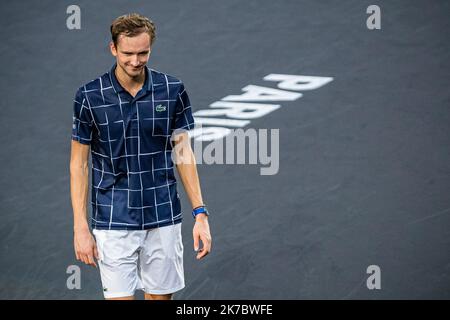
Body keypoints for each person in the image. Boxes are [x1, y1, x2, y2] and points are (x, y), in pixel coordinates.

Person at [70, 13, 211, 300]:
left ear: (151, 48)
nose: (135, 61)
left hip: (163, 216)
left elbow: (183, 154)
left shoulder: (172, 90)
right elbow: (78, 164)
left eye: (143, 53)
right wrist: (80, 227)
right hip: (112, 218)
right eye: (128, 53)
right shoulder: (89, 96)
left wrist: (200, 213)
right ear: (113, 49)